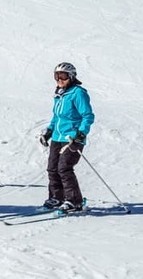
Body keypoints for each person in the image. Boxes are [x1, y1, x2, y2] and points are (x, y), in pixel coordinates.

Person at [39, 62, 95, 212]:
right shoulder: (60, 94)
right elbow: (57, 117)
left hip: (72, 138)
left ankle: (74, 201)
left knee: (64, 168)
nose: (59, 80)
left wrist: (80, 134)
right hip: (57, 137)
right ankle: (57, 197)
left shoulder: (78, 93)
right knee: (52, 169)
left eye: (63, 76)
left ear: (71, 76)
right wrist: (49, 131)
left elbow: (87, 116)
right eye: (56, 76)